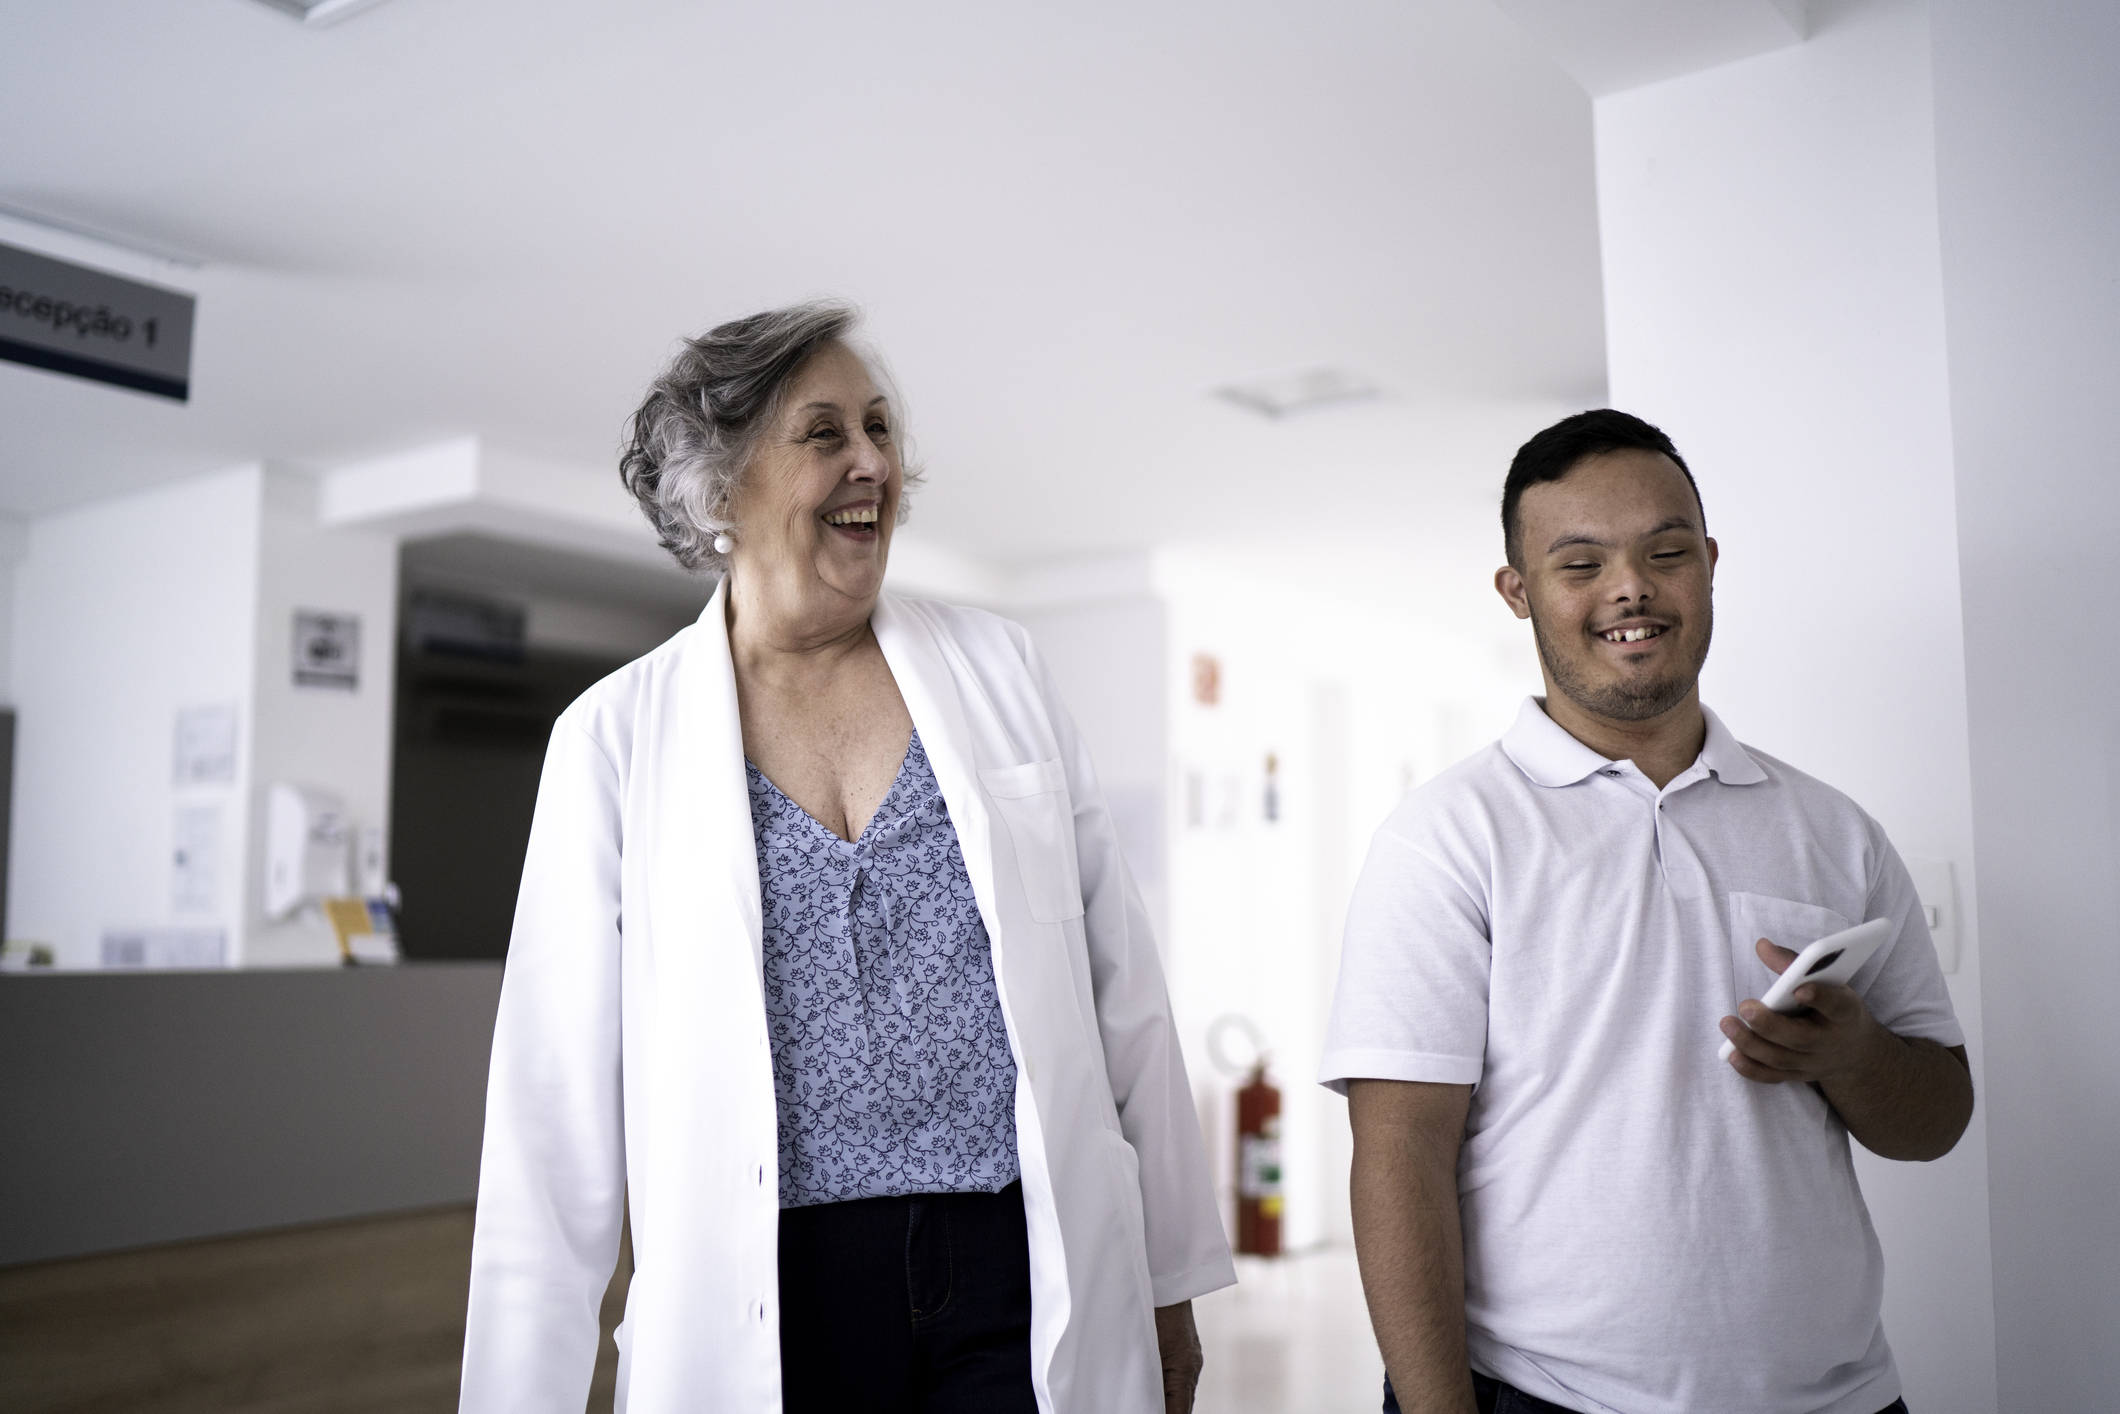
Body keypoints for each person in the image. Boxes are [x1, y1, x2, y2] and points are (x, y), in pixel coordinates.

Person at [458, 300, 1233, 1414]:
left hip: (1018, 1259)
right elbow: (551, 1104)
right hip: (772, 1288)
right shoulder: (613, 739)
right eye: (823, 434)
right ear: (721, 488)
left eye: (878, 427)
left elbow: (1124, 999)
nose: (872, 460)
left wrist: (1167, 1285)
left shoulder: (999, 670)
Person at [1322, 410, 1973, 1414]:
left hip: (1841, 1397)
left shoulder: (1832, 830)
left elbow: (1935, 1118)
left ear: (1706, 564)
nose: (1629, 588)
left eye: (1663, 551)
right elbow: (1399, 1154)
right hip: (1548, 1398)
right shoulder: (1446, 835)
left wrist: (1850, 1055)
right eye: (1578, 563)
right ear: (1517, 591)